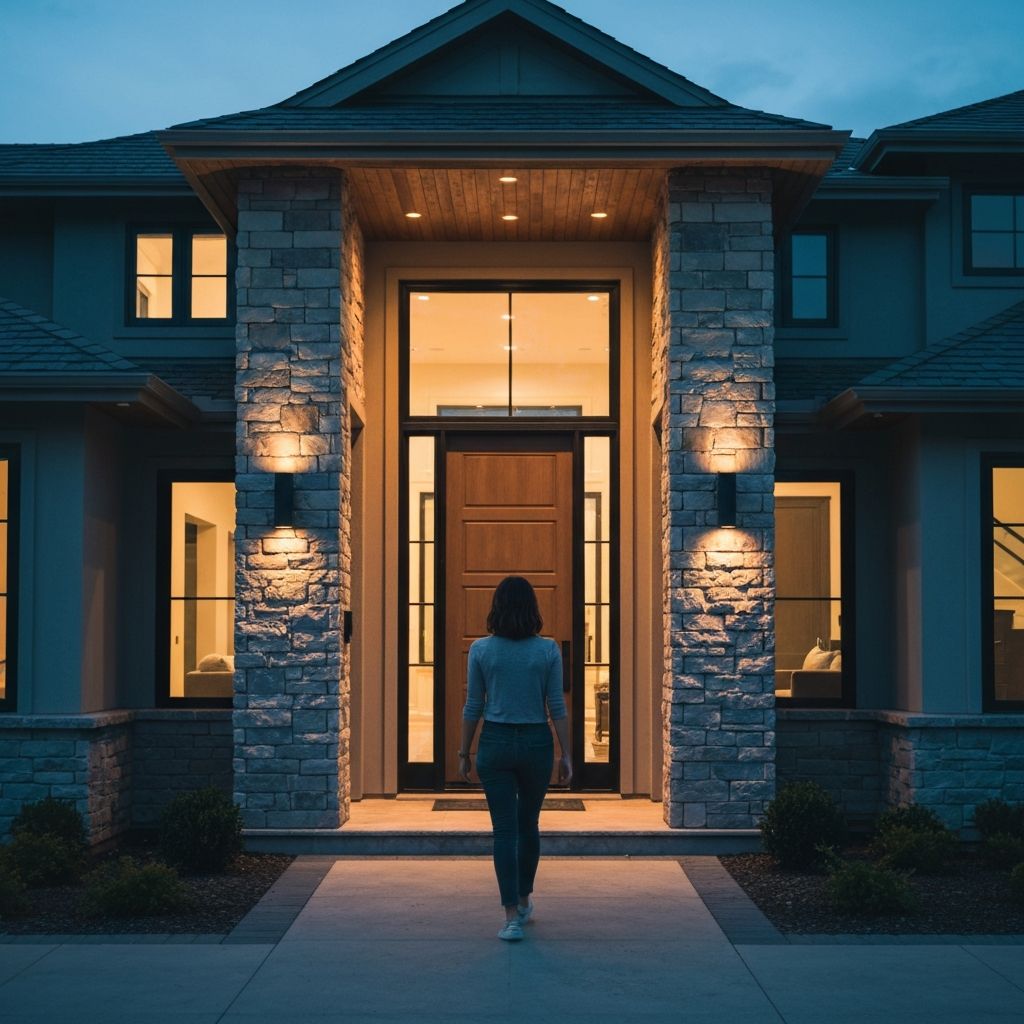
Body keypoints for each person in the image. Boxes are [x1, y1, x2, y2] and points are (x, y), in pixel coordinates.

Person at [459, 575, 572, 942]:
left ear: (497, 608)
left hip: (495, 742)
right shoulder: (548, 650)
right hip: (537, 743)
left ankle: (510, 917)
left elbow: (473, 704)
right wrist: (566, 753)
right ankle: (523, 901)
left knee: (504, 831)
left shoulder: (480, 650)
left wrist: (464, 752)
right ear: (532, 609)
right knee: (529, 825)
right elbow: (557, 706)